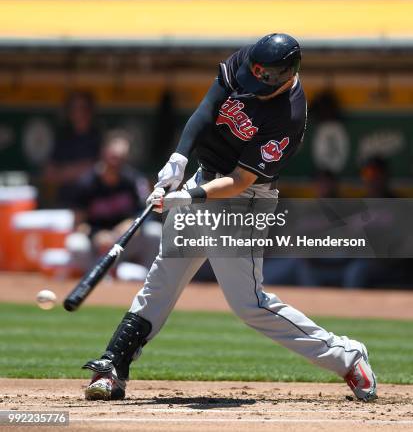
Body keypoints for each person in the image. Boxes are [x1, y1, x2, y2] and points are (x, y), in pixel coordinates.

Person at [82, 33, 377, 403]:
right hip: (204, 175)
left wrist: (186, 195)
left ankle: (347, 357)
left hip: (244, 201)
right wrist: (179, 160)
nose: (252, 85)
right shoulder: (250, 61)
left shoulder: (288, 116)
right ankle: (114, 363)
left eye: (264, 80)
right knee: (162, 278)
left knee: (249, 304)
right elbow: (207, 109)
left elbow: (240, 181)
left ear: (286, 76)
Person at [69, 131, 153, 274]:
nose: (116, 162)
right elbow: (77, 224)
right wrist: (96, 235)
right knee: (76, 244)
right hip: (96, 244)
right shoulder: (86, 182)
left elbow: (148, 212)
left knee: (154, 232)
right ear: (104, 153)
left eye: (121, 158)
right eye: (113, 157)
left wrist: (132, 223)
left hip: (124, 241)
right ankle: (96, 276)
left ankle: (149, 279)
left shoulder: (134, 180)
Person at [43, 91, 101, 206]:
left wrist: (66, 171)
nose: (79, 113)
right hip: (66, 203)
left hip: (95, 205)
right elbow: (49, 175)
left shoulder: (99, 136)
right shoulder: (63, 138)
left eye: (83, 108)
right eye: (74, 108)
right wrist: (81, 169)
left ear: (90, 111)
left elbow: (102, 170)